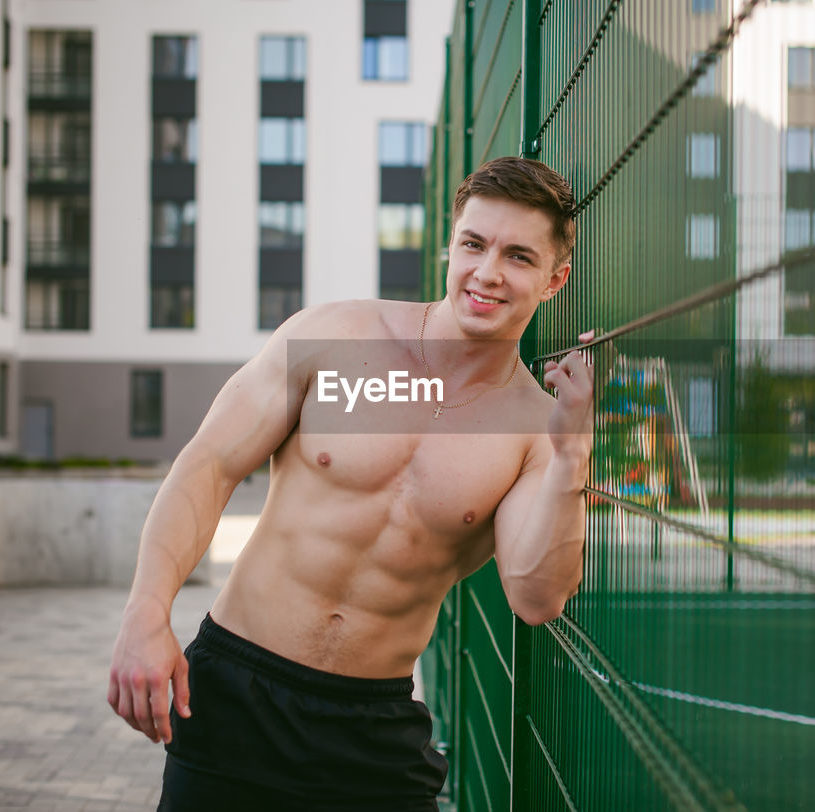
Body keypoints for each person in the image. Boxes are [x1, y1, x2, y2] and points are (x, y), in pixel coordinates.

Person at [107, 157, 594, 811]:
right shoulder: (339, 339)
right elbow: (210, 465)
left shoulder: (535, 429)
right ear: (451, 245)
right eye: (474, 245)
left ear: (554, 279)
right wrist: (146, 613)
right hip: (238, 690)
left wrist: (570, 463)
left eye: (518, 257)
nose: (487, 273)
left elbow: (537, 599)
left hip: (373, 728)